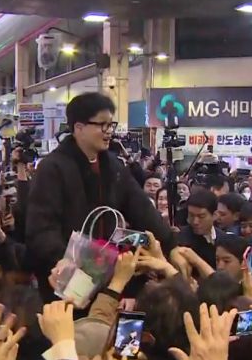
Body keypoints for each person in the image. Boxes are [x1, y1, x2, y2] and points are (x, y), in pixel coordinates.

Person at [26, 92, 174, 301]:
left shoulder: (113, 166)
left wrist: (171, 244)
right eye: (102, 125)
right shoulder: (52, 168)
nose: (109, 132)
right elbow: (42, 228)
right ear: (79, 128)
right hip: (68, 278)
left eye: (111, 125)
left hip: (109, 274)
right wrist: (63, 259)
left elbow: (142, 209)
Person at [177, 189, 219, 268]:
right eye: (191, 215)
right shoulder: (180, 240)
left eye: (201, 216)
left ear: (214, 215)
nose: (195, 222)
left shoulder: (224, 239)